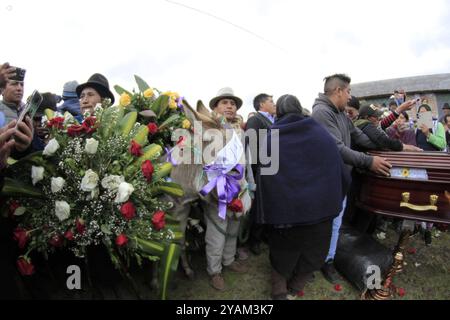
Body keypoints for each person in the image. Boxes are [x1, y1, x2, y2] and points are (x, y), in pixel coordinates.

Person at [256, 94, 350, 299]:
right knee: (315, 249)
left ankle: (279, 290)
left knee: (282, 249)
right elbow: (340, 170)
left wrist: (270, 208)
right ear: (299, 110)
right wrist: (332, 197)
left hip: (285, 212)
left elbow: (264, 176)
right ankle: (296, 286)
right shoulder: (320, 133)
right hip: (320, 208)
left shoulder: (270, 137)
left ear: (278, 112)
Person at [311, 74, 392, 284]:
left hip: (340, 178)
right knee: (324, 223)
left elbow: (360, 137)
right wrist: (368, 161)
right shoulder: (321, 113)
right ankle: (315, 259)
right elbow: (337, 148)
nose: (350, 96)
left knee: (336, 223)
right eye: (348, 91)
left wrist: (390, 147)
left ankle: (327, 260)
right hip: (326, 180)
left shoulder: (342, 115)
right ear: (338, 90)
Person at [204, 87, 252, 291]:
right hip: (218, 190)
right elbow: (204, 161)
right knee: (217, 231)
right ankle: (214, 271)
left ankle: (229, 260)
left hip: (239, 189)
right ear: (215, 107)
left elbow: (247, 159)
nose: (230, 106)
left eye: (232, 103)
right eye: (225, 102)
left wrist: (248, 184)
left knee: (233, 227)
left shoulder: (240, 130)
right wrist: (217, 187)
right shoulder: (208, 130)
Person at [244, 93, 276, 256]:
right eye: (271, 101)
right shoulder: (255, 120)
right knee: (258, 206)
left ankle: (263, 235)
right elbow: (251, 146)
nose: (274, 103)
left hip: (272, 170)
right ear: (261, 104)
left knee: (268, 205)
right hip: (261, 171)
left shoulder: (272, 120)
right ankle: (253, 240)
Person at [354, 104, 421, 152]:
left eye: (379, 116)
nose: (378, 118)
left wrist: (400, 109)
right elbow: (382, 140)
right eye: (375, 116)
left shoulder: (373, 125)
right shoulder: (364, 125)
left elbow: (385, 122)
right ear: (366, 117)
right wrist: (404, 147)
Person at [0, 65, 34, 159]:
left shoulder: (28, 111)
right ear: (2, 90)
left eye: (22, 84)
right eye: (14, 84)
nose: (19, 88)